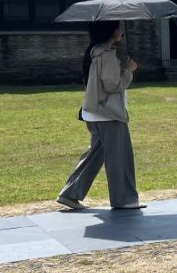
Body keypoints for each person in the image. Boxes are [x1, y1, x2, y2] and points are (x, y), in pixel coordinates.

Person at [58, 20, 145, 210]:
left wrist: (121, 68)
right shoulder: (105, 55)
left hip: (94, 113)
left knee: (95, 155)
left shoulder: (95, 52)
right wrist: (129, 71)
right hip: (108, 114)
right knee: (119, 157)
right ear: (111, 31)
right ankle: (124, 199)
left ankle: (70, 194)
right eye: (118, 26)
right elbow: (112, 85)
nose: (121, 30)